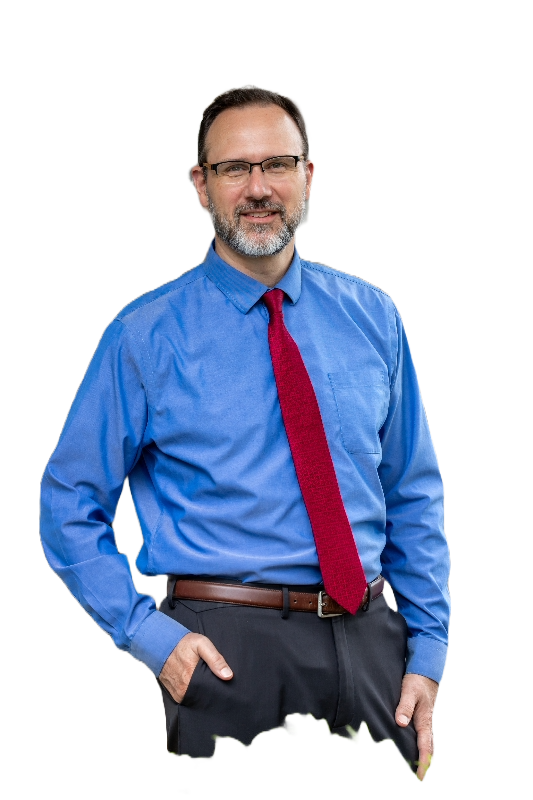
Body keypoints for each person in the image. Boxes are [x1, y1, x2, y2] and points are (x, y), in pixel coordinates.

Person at [40, 84, 450, 780]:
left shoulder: (374, 316)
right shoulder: (143, 336)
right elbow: (68, 504)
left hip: (377, 644)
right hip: (225, 654)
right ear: (201, 185)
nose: (258, 188)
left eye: (277, 165)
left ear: (308, 176)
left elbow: (411, 491)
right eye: (235, 169)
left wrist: (428, 653)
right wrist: (148, 636)